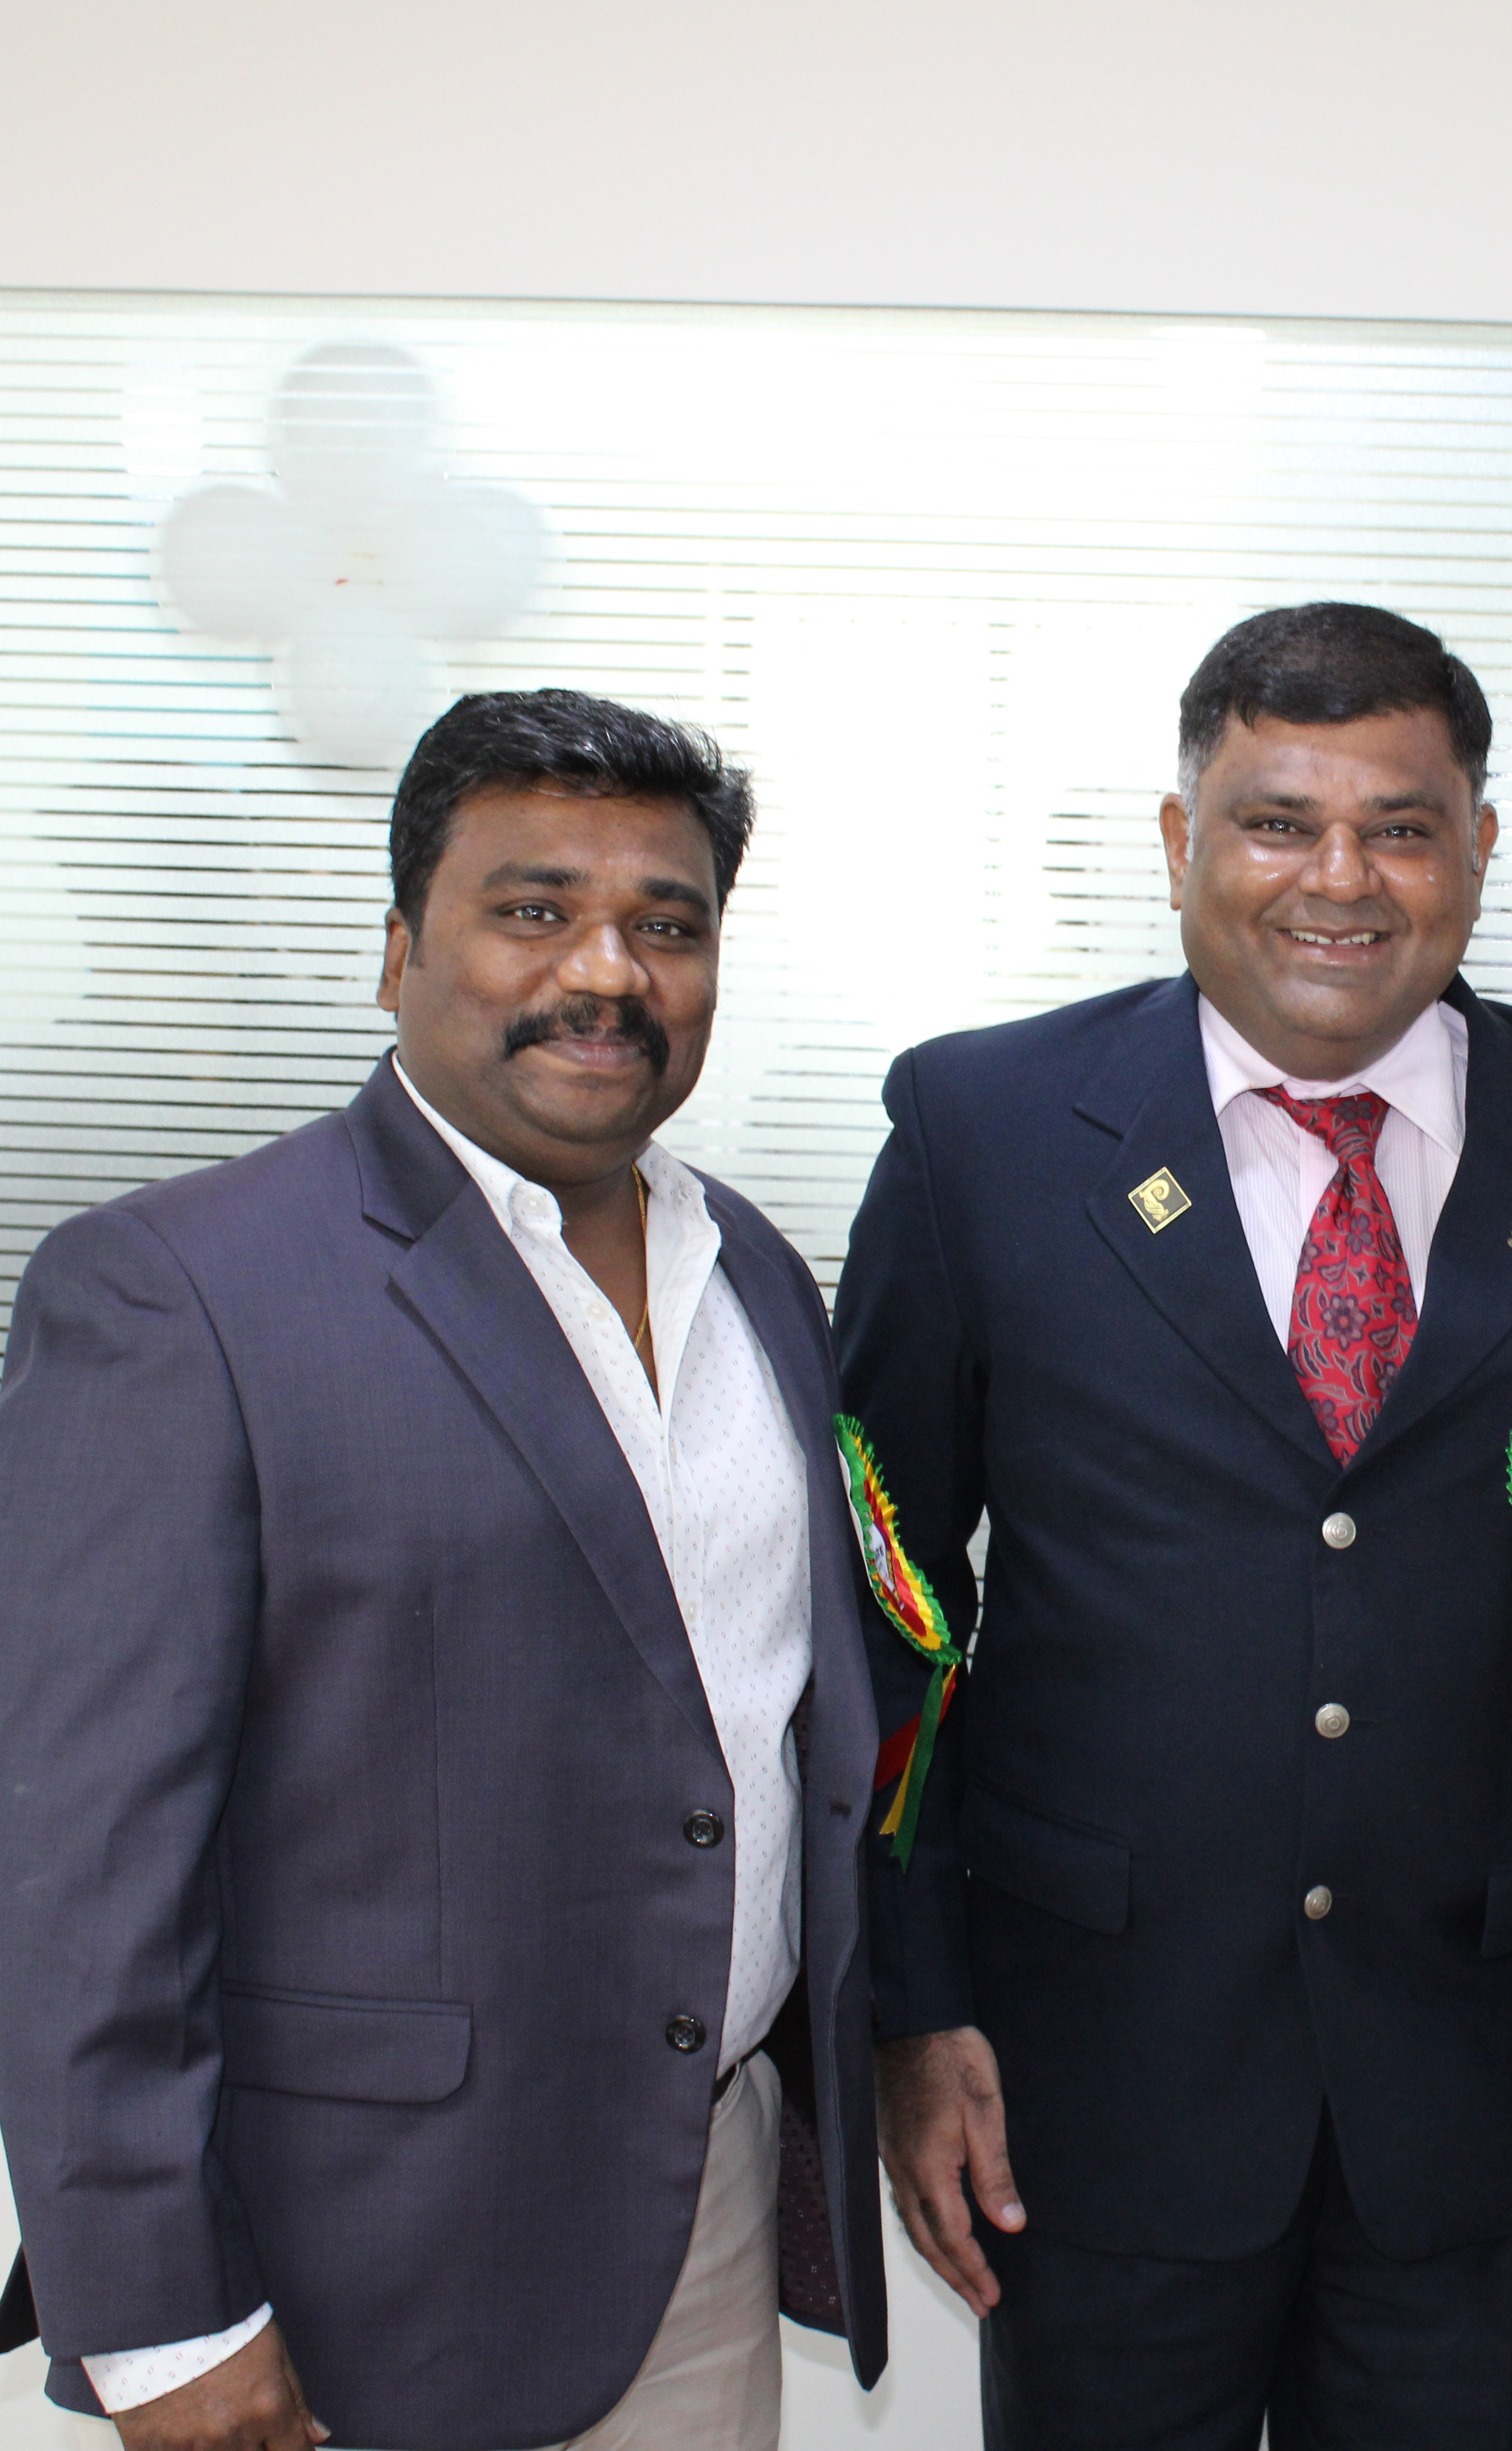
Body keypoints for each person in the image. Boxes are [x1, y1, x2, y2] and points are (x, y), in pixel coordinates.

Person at [832, 601, 1512, 2449]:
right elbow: (887, 1614)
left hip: (1501, 2113)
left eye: (1404, 826)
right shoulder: (982, 1128)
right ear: (1181, 844)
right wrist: (913, 2013)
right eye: (1278, 821)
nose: (1343, 878)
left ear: (1480, 849)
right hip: (1087, 2096)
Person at [0, 690, 886, 2450]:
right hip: (355, 2264)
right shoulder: (177, 1293)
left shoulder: (758, 1274)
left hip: (698, 2207)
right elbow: (83, 1863)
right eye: (532, 909)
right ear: (401, 946)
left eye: (668, 924)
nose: (609, 971)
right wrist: (165, 2321)